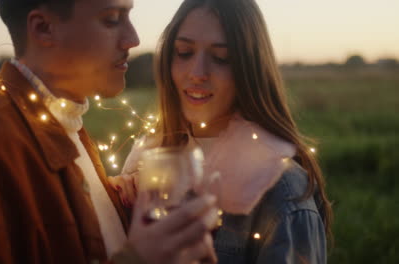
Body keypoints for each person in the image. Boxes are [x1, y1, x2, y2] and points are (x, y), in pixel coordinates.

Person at [0, 0, 219, 263]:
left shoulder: (64, 125)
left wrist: (122, 204)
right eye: (111, 19)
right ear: (44, 28)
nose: (133, 38)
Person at [109, 0, 333, 263]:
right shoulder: (149, 161)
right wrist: (113, 204)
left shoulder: (280, 189)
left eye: (221, 57)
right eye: (184, 52)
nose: (197, 73)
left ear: (249, 68)